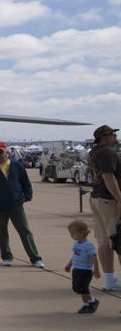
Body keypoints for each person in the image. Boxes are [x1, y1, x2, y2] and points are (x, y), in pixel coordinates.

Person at [0, 141, 44, 268]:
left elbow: (26, 182)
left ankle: (35, 258)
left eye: (1, 151)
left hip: (16, 204)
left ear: (6, 152)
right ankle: (7, 256)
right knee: (1, 233)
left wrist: (27, 196)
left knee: (25, 231)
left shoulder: (17, 166)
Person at [86, 125, 121, 291]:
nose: (115, 138)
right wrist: (119, 199)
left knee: (103, 241)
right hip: (109, 200)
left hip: (97, 198)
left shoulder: (93, 153)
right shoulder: (107, 152)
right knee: (118, 239)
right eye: (113, 135)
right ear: (106, 137)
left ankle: (110, 279)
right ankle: (111, 280)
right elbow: (109, 177)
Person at [64, 219, 100, 314]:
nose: (71, 235)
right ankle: (88, 303)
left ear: (82, 233)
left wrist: (96, 269)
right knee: (77, 287)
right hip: (77, 269)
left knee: (83, 288)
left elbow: (94, 256)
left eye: (73, 233)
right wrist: (69, 264)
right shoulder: (77, 244)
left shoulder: (88, 245)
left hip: (85, 271)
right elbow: (75, 255)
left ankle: (91, 302)